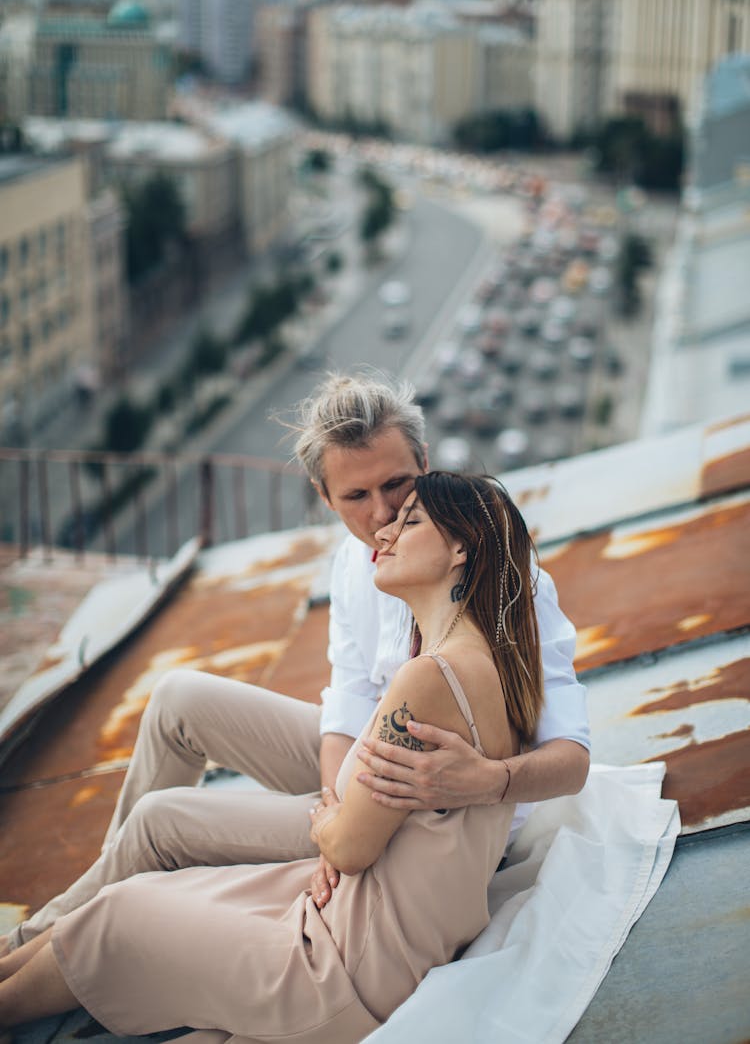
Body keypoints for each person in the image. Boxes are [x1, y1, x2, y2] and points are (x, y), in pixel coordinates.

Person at [0, 373, 589, 953]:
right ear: (324, 496)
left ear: (427, 464)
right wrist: (334, 810)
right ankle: (97, 897)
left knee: (161, 824)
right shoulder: (354, 566)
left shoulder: (506, 582)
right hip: (370, 770)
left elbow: (572, 759)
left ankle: (34, 945)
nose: (382, 515)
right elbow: (350, 699)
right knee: (178, 697)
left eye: (398, 484)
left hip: (435, 816)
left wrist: (488, 782)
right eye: (356, 496)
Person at [1, 472, 546, 1041]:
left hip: (347, 970)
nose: (384, 532)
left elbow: (350, 846)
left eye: (409, 521)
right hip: (377, 939)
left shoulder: (431, 676)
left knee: (117, 918)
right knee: (149, 895)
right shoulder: (491, 660)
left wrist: (330, 817)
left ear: (460, 547)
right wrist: (342, 819)